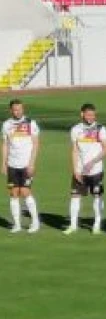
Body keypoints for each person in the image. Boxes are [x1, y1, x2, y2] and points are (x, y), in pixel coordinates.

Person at [65, 103, 106, 235]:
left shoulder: (100, 129)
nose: (91, 117)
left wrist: (94, 161)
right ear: (82, 114)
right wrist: (75, 169)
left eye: (93, 115)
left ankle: (97, 224)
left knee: (97, 196)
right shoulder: (75, 129)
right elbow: (74, 150)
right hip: (80, 170)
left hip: (96, 170)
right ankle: (73, 225)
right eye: (88, 114)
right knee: (75, 196)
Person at [2, 99, 40, 233]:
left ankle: (35, 222)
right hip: (12, 164)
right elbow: (5, 144)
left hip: (26, 164)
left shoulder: (31, 123)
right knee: (13, 193)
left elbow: (36, 144)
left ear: (23, 109)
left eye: (20, 109)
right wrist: (3, 163)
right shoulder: (7, 125)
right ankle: (17, 224)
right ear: (11, 110)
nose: (18, 111)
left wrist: (32, 163)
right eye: (15, 109)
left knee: (25, 192)